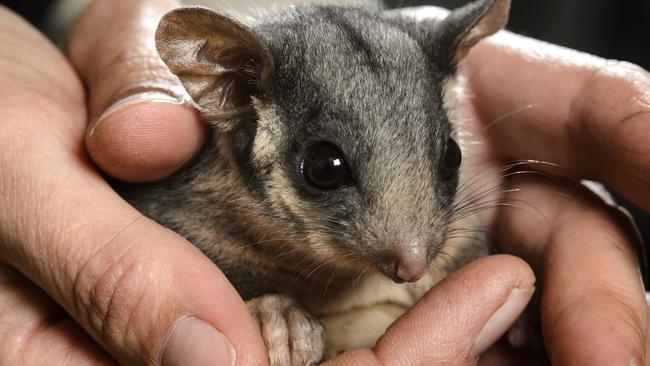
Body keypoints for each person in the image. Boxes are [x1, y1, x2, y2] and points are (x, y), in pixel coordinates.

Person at [0, 0, 647, 365]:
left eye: (444, 164)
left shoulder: (442, 225)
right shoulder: (201, 202)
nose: (411, 257)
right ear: (234, 90)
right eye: (327, 172)